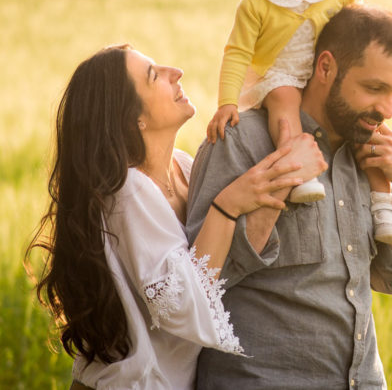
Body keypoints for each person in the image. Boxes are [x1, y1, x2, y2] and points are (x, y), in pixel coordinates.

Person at [29, 44, 325, 390]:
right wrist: (228, 205)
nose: (176, 73)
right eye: (155, 75)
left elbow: (227, 264)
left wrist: (283, 166)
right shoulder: (128, 191)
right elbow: (181, 305)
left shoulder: (185, 167)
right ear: (132, 118)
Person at [186, 4, 392, 389]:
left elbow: (391, 276)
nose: (388, 110)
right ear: (325, 67)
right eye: (374, 88)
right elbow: (198, 285)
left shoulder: (368, 154)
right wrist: (283, 176)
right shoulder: (241, 140)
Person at [206, 0, 392, 245]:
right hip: (280, 74)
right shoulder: (256, 4)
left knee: (366, 130)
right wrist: (227, 103)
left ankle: (384, 207)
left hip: (324, 74)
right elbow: (237, 53)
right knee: (284, 101)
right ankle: (300, 173)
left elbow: (364, 33)